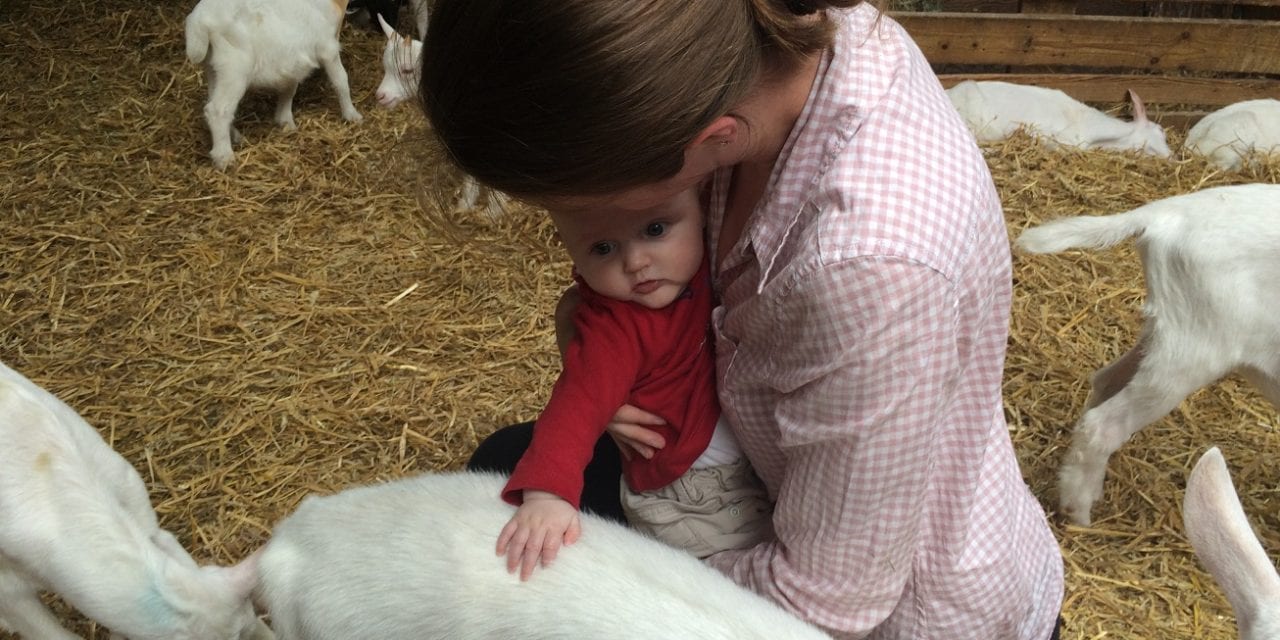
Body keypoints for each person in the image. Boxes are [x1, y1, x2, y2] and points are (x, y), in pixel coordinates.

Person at [420, 2, 1065, 639]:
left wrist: (621, 582)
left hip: (882, 611)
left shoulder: (867, 268)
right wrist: (587, 353)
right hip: (769, 473)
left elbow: (827, 603)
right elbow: (615, 310)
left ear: (711, 141)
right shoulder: (772, 41)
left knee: (526, 567)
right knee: (501, 466)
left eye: (608, 205)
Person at [496, 187, 773, 581]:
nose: (636, 262)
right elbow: (576, 405)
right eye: (603, 249)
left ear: (703, 210)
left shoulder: (699, 268)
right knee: (708, 593)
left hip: (736, 471)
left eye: (655, 229)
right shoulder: (615, 327)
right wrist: (548, 494)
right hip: (693, 497)